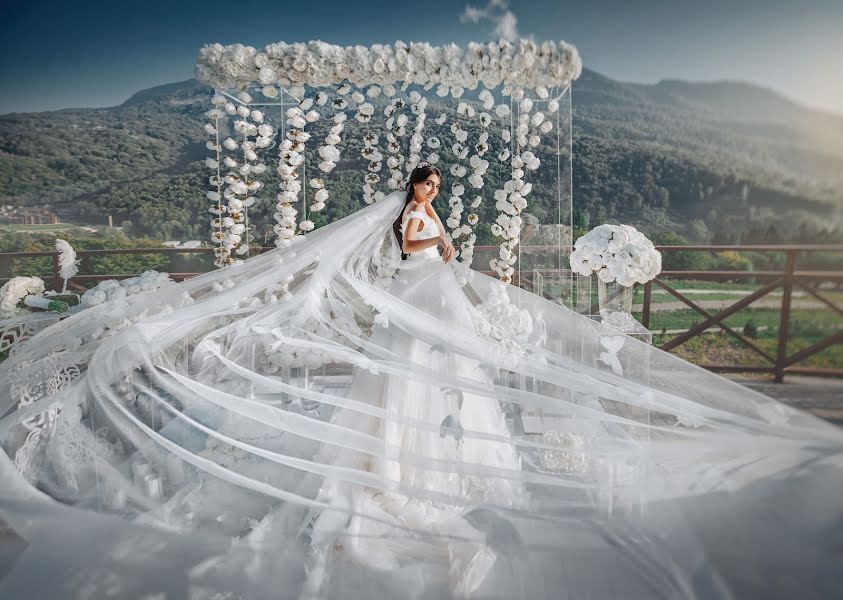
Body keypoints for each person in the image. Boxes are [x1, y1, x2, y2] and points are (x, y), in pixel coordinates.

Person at [0, 164, 841, 599]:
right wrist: (443, 250)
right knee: (424, 380)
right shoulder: (411, 220)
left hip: (435, 297)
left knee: (449, 383)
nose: (433, 193)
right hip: (426, 294)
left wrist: (447, 253)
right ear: (416, 190)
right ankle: (405, 469)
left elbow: (429, 250)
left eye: (434, 188)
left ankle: (452, 460)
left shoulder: (423, 211)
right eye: (429, 187)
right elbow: (413, 254)